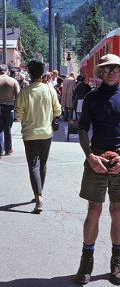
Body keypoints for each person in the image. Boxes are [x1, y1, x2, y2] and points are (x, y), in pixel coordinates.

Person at [75, 54, 120, 285]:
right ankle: (87, 260)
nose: (111, 71)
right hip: (97, 158)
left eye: (115, 68)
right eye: (107, 68)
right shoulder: (91, 97)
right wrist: (90, 156)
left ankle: (117, 261)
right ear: (101, 72)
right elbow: (83, 129)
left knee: (117, 211)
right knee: (93, 210)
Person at [15, 60, 61, 213]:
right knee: (43, 164)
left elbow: (19, 115)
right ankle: (39, 191)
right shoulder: (50, 90)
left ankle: (38, 196)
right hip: (46, 133)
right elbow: (58, 111)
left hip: (29, 134)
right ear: (42, 73)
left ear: (29, 73)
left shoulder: (25, 92)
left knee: (33, 165)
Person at [0, 64, 20, 158]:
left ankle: (0, 151)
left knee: (0, 130)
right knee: (7, 129)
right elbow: (18, 95)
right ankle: (8, 149)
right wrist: (16, 107)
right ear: (7, 71)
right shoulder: (13, 81)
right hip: (9, 107)